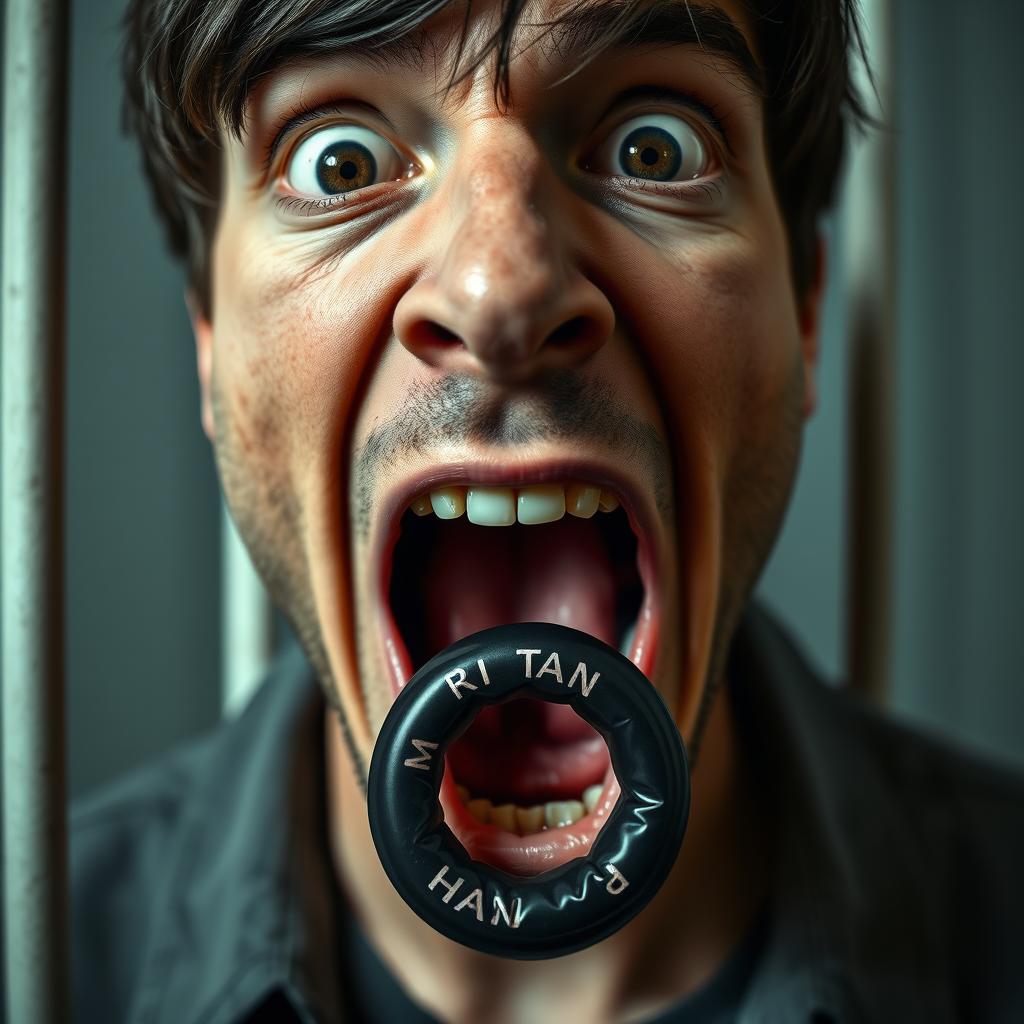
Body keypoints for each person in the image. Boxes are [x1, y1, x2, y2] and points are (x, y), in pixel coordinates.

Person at [71, 1, 1024, 1021]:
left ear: (801, 317)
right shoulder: (42, 958)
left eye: (656, 149)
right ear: (211, 347)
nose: (499, 289)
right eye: (338, 163)